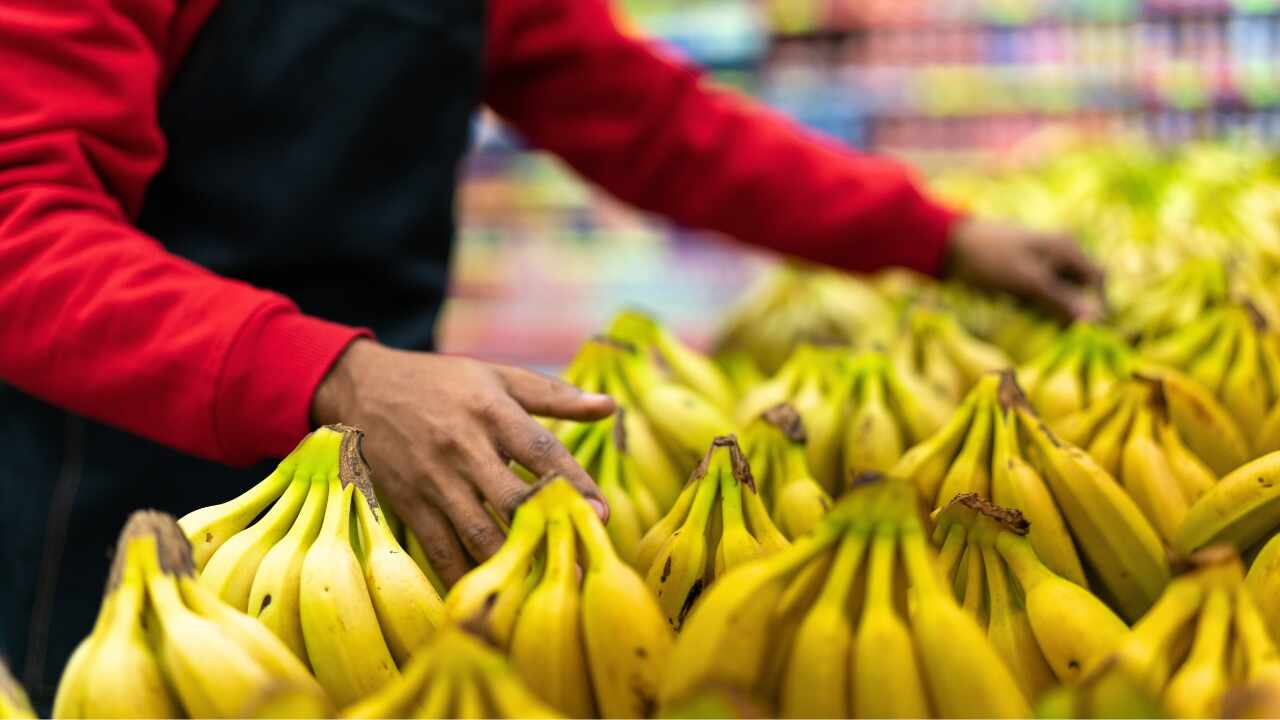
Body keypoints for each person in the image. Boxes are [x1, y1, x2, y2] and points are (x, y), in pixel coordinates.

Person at [0, 0, 1101, 706]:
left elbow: (647, 118)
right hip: (120, 462)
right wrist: (337, 377)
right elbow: (17, 220)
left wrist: (936, 237)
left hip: (394, 462)